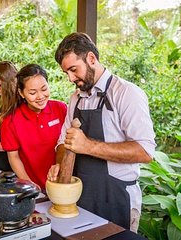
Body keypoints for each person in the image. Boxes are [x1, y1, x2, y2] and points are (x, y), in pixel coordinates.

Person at [47, 32, 156, 232]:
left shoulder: (126, 93)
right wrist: (59, 164)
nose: (71, 78)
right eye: (66, 73)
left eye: (73, 70)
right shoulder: (76, 98)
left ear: (91, 59)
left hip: (116, 197)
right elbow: (63, 142)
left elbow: (145, 151)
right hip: (82, 196)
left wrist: (88, 146)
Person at [0, 64, 67, 190]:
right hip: (33, 187)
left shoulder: (61, 109)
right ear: (21, 93)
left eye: (44, 89)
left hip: (62, 185)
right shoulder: (11, 121)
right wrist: (29, 185)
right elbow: (14, 157)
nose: (40, 96)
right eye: (32, 92)